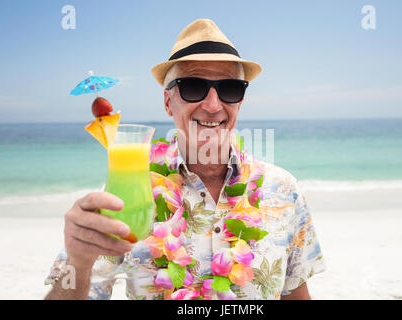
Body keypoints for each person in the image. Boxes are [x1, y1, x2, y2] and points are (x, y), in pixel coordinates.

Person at [44, 18, 325, 300]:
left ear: (240, 101)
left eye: (229, 88)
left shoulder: (283, 190)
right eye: (193, 87)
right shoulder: (128, 197)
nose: (213, 106)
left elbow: (295, 293)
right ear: (168, 102)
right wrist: (78, 263)